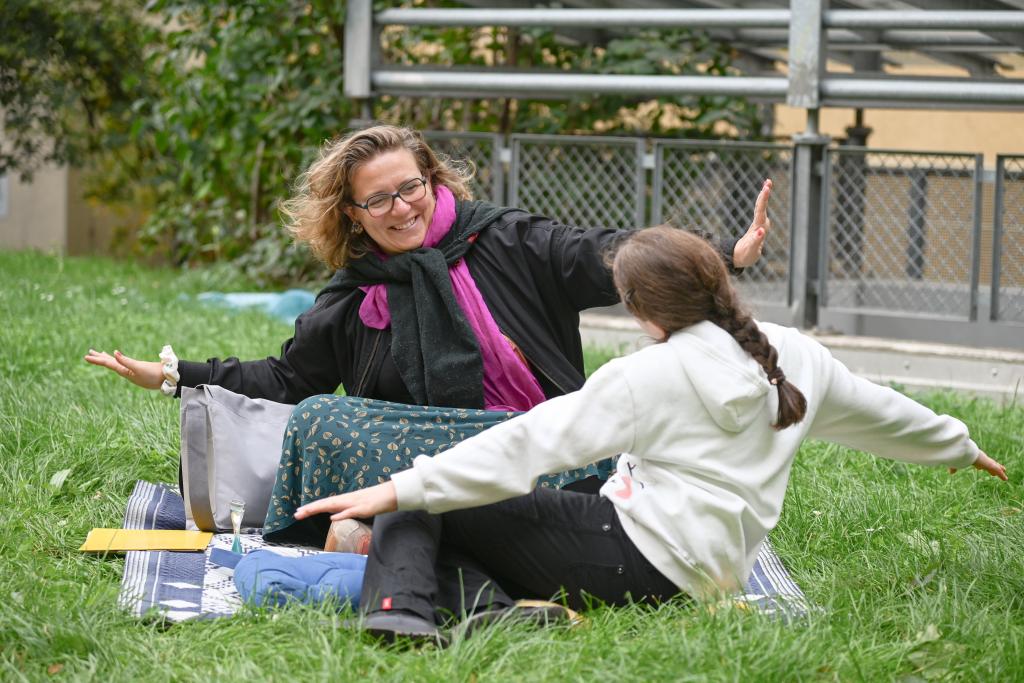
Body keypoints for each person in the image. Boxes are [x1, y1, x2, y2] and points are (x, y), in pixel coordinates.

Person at [294, 225, 1008, 644]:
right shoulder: (794, 352)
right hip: (702, 566)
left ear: (640, 308)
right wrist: (958, 445)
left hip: (638, 557)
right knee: (459, 507)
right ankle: (505, 615)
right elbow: (879, 410)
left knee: (421, 502)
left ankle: (399, 617)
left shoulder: (647, 375)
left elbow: (525, 445)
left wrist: (395, 487)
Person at [84, 125, 773, 546]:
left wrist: (724, 251)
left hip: (545, 440)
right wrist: (178, 375)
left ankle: (390, 526)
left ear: (431, 179)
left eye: (409, 187)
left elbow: (613, 254)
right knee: (321, 415)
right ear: (353, 214)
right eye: (378, 199)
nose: (400, 207)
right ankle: (408, 522)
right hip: (429, 450)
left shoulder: (508, 239)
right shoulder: (356, 290)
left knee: (539, 452)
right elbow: (287, 379)